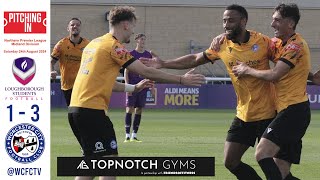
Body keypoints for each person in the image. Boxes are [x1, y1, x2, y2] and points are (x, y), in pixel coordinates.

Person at [68, 6, 205, 180]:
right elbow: (146, 71)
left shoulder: (94, 44)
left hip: (76, 111)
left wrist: (133, 88)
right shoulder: (114, 46)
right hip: (92, 113)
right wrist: (181, 80)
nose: (132, 33)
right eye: (132, 27)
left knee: (91, 164)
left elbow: (105, 83)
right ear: (125, 25)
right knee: (109, 166)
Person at [142, 4, 276, 180]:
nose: (226, 24)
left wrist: (309, 76)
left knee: (272, 165)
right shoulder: (221, 45)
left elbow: (285, 64)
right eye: (224, 21)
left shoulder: (263, 42)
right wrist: (164, 63)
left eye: (231, 20)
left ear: (243, 21)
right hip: (244, 114)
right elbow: (195, 59)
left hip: (269, 113)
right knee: (230, 161)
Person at [232, 3, 310, 180]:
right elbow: (250, 39)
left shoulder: (295, 45)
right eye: (273, 20)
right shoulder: (276, 43)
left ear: (290, 24)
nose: (272, 24)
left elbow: (275, 74)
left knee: (262, 154)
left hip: (294, 111)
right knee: (281, 172)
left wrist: (247, 70)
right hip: (286, 110)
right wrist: (225, 36)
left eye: (277, 20)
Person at [51, 17, 90, 106]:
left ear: (80, 28)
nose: (75, 26)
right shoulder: (61, 44)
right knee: (72, 110)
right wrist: (51, 71)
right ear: (68, 28)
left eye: (77, 25)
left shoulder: (88, 45)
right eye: (72, 25)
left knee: (81, 109)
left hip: (82, 83)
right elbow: (52, 61)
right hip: (67, 84)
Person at [124, 33, 155, 143]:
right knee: (130, 108)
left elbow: (151, 71)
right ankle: (127, 135)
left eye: (144, 39)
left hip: (144, 86)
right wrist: (127, 86)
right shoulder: (131, 54)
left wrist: (151, 85)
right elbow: (126, 71)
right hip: (132, 86)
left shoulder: (148, 55)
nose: (143, 41)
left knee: (139, 109)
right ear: (136, 40)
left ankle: (134, 135)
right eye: (141, 39)